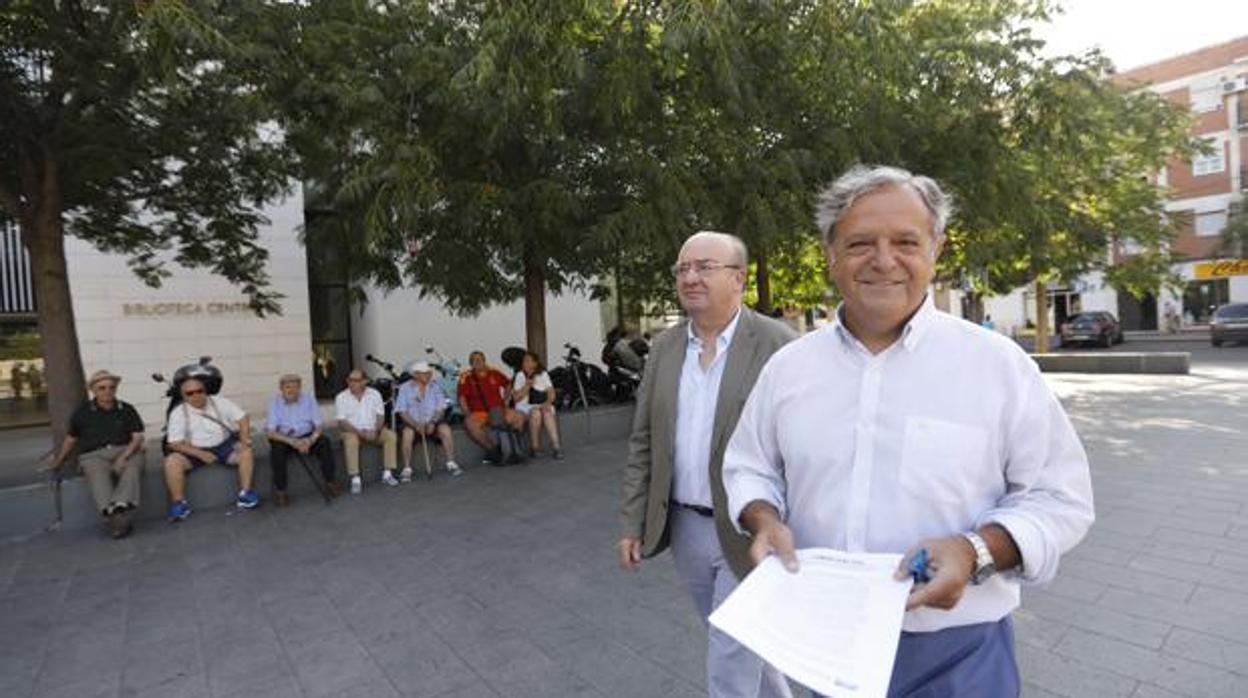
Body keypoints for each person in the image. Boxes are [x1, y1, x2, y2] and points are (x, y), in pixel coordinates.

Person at [723, 165, 1095, 697]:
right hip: (825, 646)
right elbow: (749, 465)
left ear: (936, 249)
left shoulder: (997, 366)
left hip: (960, 656)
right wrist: (763, 520)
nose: (883, 260)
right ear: (829, 253)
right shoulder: (789, 369)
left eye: (905, 241)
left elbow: (1061, 498)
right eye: (859, 243)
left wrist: (976, 551)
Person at [619, 231, 797, 698]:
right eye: (682, 269)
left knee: (730, 650)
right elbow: (644, 440)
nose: (690, 277)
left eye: (704, 267)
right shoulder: (664, 347)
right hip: (686, 527)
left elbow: (805, 444)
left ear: (738, 278)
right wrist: (632, 521)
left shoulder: (778, 343)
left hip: (749, 527)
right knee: (736, 636)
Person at [45, 370, 145, 538]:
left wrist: (124, 457)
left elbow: (137, 437)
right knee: (96, 471)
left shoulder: (127, 409)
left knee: (134, 464)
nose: (107, 391)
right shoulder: (82, 412)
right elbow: (71, 438)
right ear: (93, 390)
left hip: (124, 449)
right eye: (102, 388)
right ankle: (116, 516)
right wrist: (59, 460)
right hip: (94, 454)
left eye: (111, 387)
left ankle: (119, 507)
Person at [163, 377, 259, 521]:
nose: (196, 395)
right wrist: (200, 453)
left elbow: (243, 418)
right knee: (171, 461)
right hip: (194, 450)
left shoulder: (219, 402)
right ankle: (179, 503)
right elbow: (174, 443)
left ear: (205, 391)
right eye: (190, 393)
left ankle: (245, 493)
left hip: (223, 445)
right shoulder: (178, 413)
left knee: (246, 451)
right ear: (183, 396)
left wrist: (244, 439)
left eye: (199, 391)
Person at [266, 373, 341, 505]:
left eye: (295, 387)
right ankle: (281, 491)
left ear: (300, 388)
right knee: (276, 450)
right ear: (281, 388)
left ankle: (331, 482)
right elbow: (271, 432)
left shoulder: (309, 399)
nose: (291, 390)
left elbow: (318, 426)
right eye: (287, 387)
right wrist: (293, 442)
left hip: (307, 436)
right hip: (285, 438)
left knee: (324, 442)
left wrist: (310, 440)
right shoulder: (274, 402)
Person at [335, 368, 399, 493]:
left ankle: (387, 473)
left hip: (372, 430)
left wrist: (376, 430)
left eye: (356, 380)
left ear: (365, 381)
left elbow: (380, 416)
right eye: (350, 380)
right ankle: (355, 478)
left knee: (390, 436)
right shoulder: (341, 397)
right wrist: (360, 433)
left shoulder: (374, 394)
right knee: (351, 441)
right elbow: (342, 422)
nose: (351, 383)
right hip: (351, 431)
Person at [396, 361, 463, 479]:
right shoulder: (405, 388)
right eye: (425, 374)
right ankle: (407, 468)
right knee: (407, 434)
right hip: (413, 422)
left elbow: (441, 407)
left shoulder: (434, 386)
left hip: (432, 421)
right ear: (416, 375)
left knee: (445, 429)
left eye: (429, 373)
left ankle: (451, 462)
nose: (429, 376)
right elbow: (402, 411)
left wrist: (433, 421)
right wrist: (416, 424)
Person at [457, 350, 523, 464]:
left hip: (499, 410)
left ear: (484, 360)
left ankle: (514, 449)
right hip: (479, 412)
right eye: (474, 360)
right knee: (470, 424)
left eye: (480, 359)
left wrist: (506, 401)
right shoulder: (466, 376)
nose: (478, 362)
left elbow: (508, 385)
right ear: (470, 363)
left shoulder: (494, 372)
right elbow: (462, 397)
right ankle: (493, 450)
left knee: (519, 417)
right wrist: (467, 413)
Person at [511, 350, 562, 459]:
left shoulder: (543, 374)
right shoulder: (520, 375)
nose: (526, 364)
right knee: (535, 414)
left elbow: (551, 392)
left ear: (535, 363)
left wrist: (548, 403)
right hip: (524, 406)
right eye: (524, 361)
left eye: (529, 361)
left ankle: (556, 447)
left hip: (542, 403)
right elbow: (516, 398)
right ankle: (535, 447)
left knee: (547, 413)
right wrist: (527, 386)